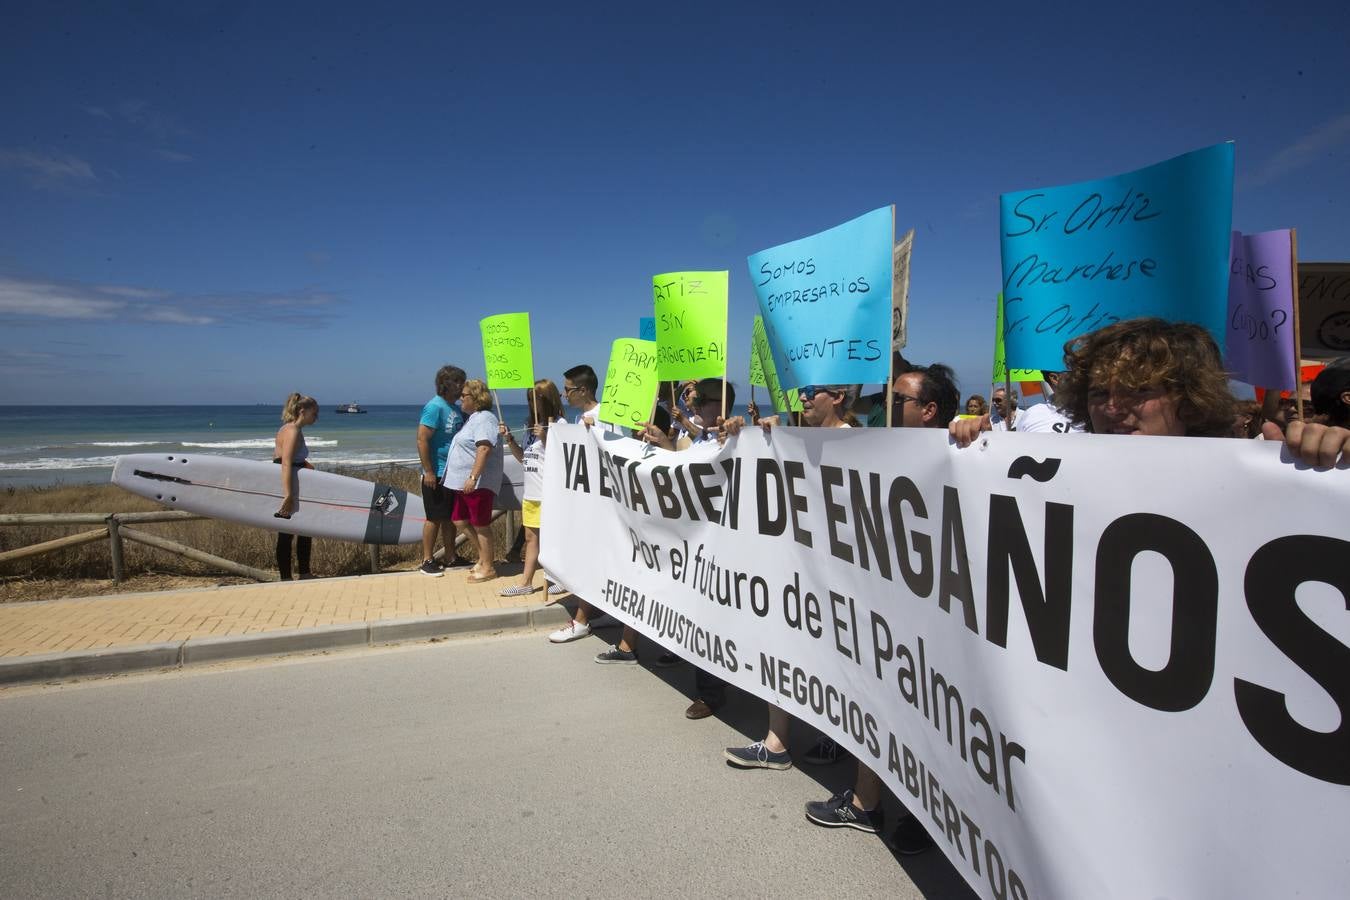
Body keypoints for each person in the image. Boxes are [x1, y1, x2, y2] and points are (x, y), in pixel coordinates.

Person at [724, 364, 959, 854]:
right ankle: (870, 795)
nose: (884, 407)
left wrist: (975, 432)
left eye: (897, 401)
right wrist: (759, 428)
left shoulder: (946, 452)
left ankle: (918, 810)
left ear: (930, 411)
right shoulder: (874, 444)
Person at [549, 364, 623, 642]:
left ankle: (581, 621)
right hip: (586, 503)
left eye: (567, 390)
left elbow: (616, 451)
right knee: (594, 561)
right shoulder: (581, 419)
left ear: (582, 390)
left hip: (603, 505)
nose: (564, 395)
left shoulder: (605, 416)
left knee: (590, 561)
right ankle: (606, 611)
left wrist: (597, 434)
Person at [499, 379, 565, 597]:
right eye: (529, 398)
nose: (532, 403)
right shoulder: (530, 426)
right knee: (531, 538)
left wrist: (546, 437)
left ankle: (559, 578)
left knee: (551, 539)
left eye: (536, 398)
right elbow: (524, 458)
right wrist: (510, 440)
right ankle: (526, 582)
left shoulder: (560, 425)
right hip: (532, 494)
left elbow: (561, 458)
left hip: (550, 494)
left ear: (548, 399)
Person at [443, 379, 504, 583]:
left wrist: (473, 477)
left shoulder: (485, 418)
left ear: (476, 398)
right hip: (461, 483)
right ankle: (483, 557)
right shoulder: (474, 418)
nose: (461, 399)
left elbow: (484, 448)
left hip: (477, 483)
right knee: (459, 519)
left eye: (464, 395)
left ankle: (488, 566)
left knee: (481, 524)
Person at [416, 365, 466, 576]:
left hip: (452, 472)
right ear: (448, 384)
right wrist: (428, 470)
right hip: (435, 472)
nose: (463, 386)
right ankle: (427, 560)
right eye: (460, 382)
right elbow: (422, 439)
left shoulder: (456, 409)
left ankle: (451, 556)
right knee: (434, 517)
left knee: (449, 517)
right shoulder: (434, 407)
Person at [272, 392, 317, 581]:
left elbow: (283, 459)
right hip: (291, 483)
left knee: (299, 529)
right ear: (302, 411)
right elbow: (285, 462)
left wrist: (306, 464)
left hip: (293, 479)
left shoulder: (286, 428)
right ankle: (289, 577)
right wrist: (288, 494)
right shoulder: (292, 431)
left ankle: (297, 574)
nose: (316, 418)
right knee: (291, 531)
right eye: (314, 413)